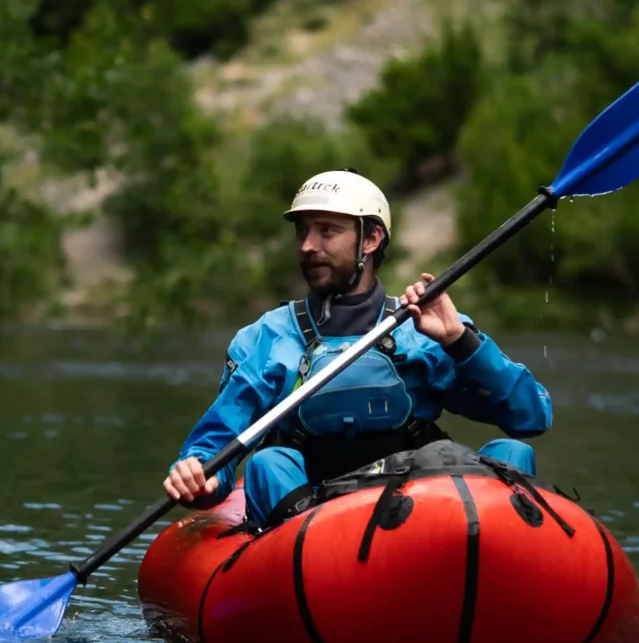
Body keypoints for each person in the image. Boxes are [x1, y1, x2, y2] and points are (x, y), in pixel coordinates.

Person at [162, 169, 553, 522]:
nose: (307, 246)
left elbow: (531, 416)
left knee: (511, 453)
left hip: (421, 510)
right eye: (303, 231)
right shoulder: (267, 339)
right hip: (311, 522)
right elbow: (213, 448)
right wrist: (199, 475)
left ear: (371, 239)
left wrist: (459, 342)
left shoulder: (424, 329)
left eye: (326, 231)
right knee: (268, 463)